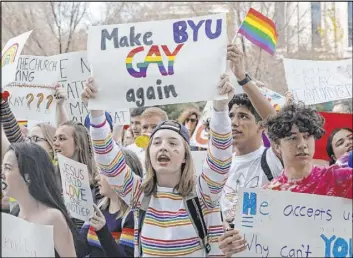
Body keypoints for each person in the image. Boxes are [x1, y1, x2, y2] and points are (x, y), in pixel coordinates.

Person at [82, 73, 243, 257]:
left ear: (185, 157)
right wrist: (96, 112)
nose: (163, 147)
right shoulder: (138, 194)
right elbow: (108, 161)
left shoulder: (204, 193)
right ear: (149, 155)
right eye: (156, 143)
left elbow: (220, 157)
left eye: (173, 143)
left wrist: (221, 109)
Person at [221, 44, 283, 225]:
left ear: (261, 126)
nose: (234, 122)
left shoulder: (272, 158)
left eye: (243, 116)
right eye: (231, 116)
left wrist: (242, 78)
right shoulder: (220, 164)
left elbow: (278, 125)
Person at [1, 142, 80, 257]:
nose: (2, 174)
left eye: (7, 168)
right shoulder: (15, 213)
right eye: (2, 167)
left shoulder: (53, 217)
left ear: (28, 177)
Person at [262, 103, 352, 198]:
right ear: (277, 146)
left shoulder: (341, 178)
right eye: (293, 138)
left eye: (307, 136)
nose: (302, 145)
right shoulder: (268, 194)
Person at [80, 148, 143, 257]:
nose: (96, 178)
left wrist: (102, 231)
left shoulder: (132, 215)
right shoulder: (98, 207)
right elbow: (80, 250)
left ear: (120, 176)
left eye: (102, 172)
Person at [54, 120, 101, 230]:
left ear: (78, 144)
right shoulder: (50, 176)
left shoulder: (97, 181)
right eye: (54, 138)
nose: (55, 143)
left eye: (62, 139)